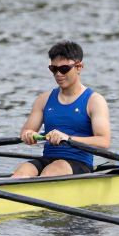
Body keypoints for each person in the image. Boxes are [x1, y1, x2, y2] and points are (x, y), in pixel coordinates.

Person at [13, 41, 111, 178]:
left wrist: (67, 138)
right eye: (54, 69)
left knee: (52, 170)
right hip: (48, 159)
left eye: (64, 69)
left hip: (78, 163)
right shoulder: (43, 99)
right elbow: (26, 130)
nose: (58, 74)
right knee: (22, 171)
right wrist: (28, 134)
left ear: (79, 67)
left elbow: (104, 141)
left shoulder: (94, 101)